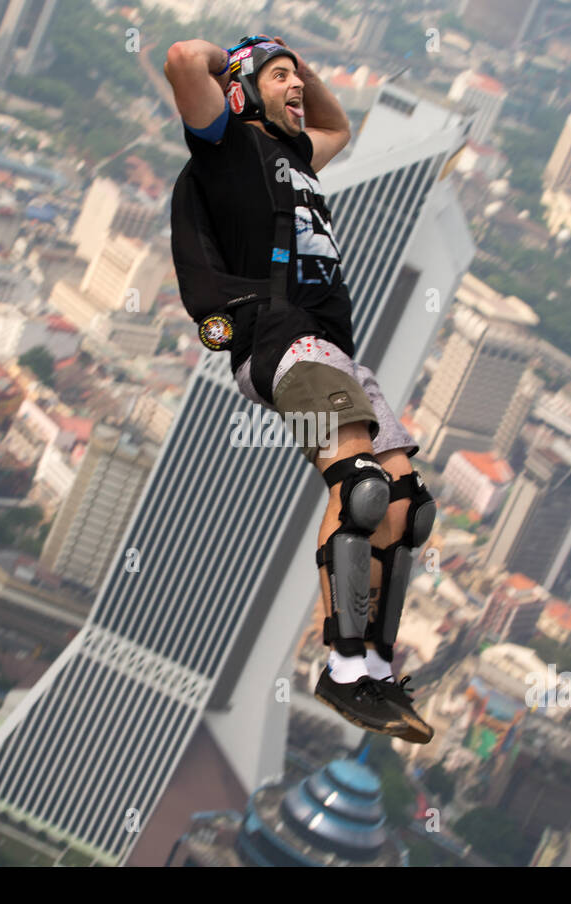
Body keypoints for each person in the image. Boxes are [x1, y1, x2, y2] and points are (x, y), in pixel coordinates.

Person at [164, 35, 437, 744]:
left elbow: (339, 127)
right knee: (360, 487)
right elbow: (182, 67)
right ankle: (343, 670)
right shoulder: (227, 150)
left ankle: (374, 663)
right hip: (276, 342)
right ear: (243, 94)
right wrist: (219, 62)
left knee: (405, 505)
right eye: (280, 79)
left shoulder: (296, 157)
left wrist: (290, 69)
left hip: (334, 352)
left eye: (298, 79)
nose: (297, 88)